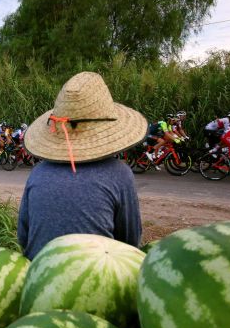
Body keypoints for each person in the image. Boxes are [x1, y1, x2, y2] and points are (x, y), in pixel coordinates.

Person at [18, 72, 146, 259]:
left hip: (37, 277)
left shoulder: (38, 172)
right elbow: (130, 242)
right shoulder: (120, 174)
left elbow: (24, 237)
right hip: (97, 280)